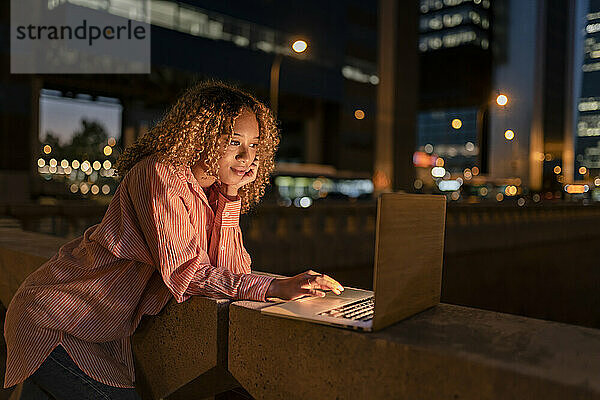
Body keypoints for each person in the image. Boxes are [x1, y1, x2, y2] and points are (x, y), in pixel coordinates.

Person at [4, 81, 344, 399]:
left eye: (254, 145)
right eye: (234, 141)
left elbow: (227, 270)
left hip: (99, 333)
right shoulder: (160, 174)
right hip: (55, 320)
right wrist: (276, 287)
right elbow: (187, 273)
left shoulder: (212, 193)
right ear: (202, 135)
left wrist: (231, 195)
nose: (247, 157)